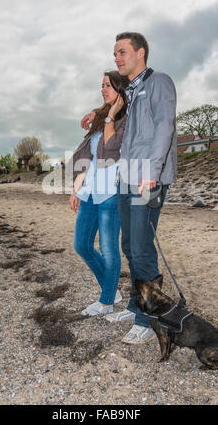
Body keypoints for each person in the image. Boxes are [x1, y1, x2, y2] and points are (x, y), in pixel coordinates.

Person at [81, 32, 177, 344]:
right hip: (126, 179)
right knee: (128, 247)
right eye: (115, 53)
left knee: (142, 248)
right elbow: (118, 121)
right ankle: (136, 305)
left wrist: (152, 171)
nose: (117, 58)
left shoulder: (158, 82)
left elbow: (164, 126)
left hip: (147, 179)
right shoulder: (132, 91)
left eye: (122, 52)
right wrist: (97, 113)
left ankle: (147, 321)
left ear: (141, 52)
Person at [69, 70, 130, 316]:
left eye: (108, 85)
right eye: (101, 85)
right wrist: (76, 190)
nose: (103, 89)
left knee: (109, 248)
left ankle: (106, 301)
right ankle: (112, 290)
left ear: (120, 88)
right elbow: (89, 158)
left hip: (112, 192)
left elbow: (110, 150)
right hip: (90, 191)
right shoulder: (101, 117)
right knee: (81, 245)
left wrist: (110, 117)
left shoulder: (126, 118)